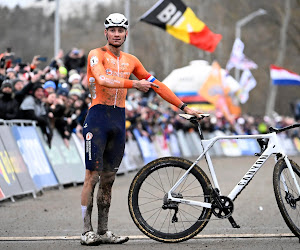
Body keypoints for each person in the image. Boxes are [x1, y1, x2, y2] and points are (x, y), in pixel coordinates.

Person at [80, 13, 202, 246]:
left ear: (126, 33)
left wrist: (184, 106)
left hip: (118, 119)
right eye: (112, 30)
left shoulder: (131, 60)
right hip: (97, 119)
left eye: (120, 30)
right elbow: (102, 79)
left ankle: (103, 231)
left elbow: (157, 85)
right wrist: (134, 83)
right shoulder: (96, 55)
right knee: (91, 176)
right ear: (106, 33)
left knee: (109, 179)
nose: (116, 34)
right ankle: (87, 231)